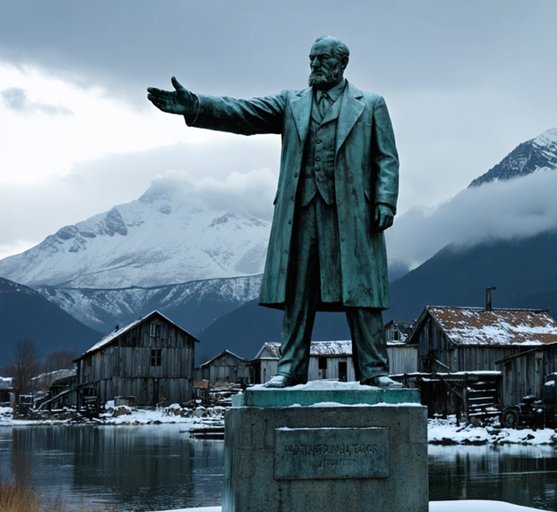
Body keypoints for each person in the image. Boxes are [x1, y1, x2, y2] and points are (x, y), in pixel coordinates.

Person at [147, 36, 399, 388]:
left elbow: (386, 158)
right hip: (301, 212)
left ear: (342, 63)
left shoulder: (370, 104)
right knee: (298, 290)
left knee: (362, 293)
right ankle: (289, 369)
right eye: (311, 59)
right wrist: (197, 105)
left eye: (321, 59)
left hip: (354, 214)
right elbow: (244, 112)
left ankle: (374, 370)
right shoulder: (291, 102)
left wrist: (385, 201)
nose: (314, 65)